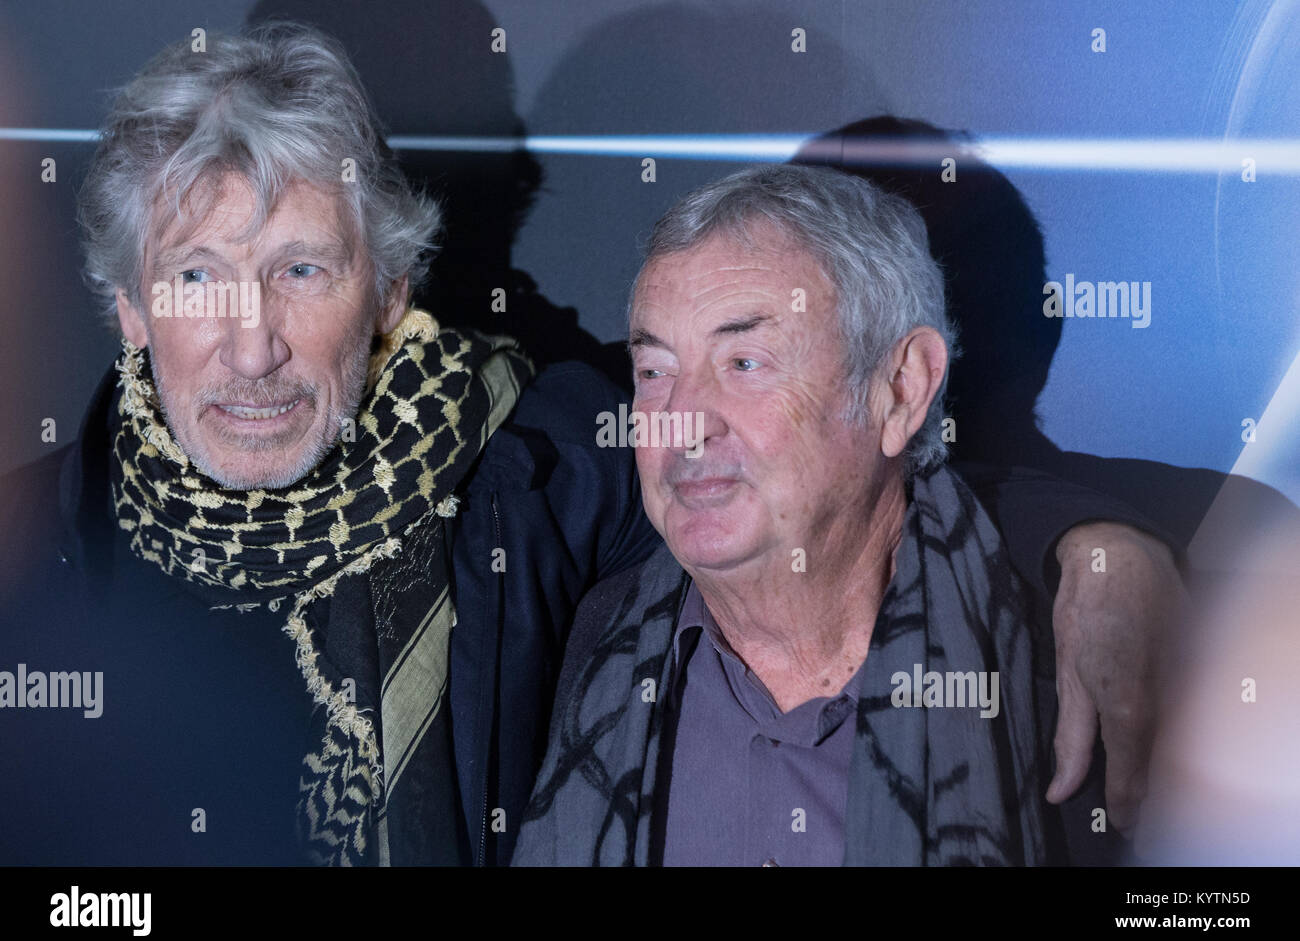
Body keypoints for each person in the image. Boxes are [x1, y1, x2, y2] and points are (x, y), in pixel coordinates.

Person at [0, 25, 1174, 867]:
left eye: (301, 270)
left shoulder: (549, 460)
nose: (249, 348)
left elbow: (833, 467)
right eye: (195, 277)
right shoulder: (26, 551)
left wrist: (1095, 547)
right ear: (130, 309)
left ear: (389, 291)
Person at [512, 164, 1182, 866]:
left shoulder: (1077, 667)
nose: (681, 423)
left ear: (901, 388)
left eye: (744, 361)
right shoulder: (586, 643)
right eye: (654, 372)